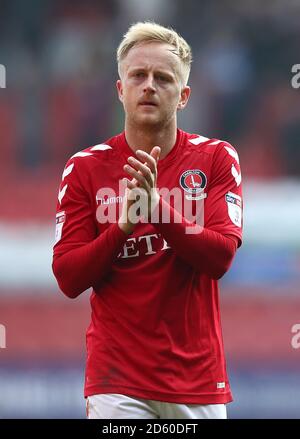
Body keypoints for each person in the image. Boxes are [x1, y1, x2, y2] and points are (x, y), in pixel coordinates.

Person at [52, 21, 243, 419]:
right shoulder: (84, 169)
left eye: (163, 77)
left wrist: (156, 208)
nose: (149, 86)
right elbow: (68, 278)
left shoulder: (216, 159)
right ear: (120, 90)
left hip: (197, 380)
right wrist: (122, 227)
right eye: (138, 75)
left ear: (184, 95)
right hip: (116, 380)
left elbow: (220, 257)